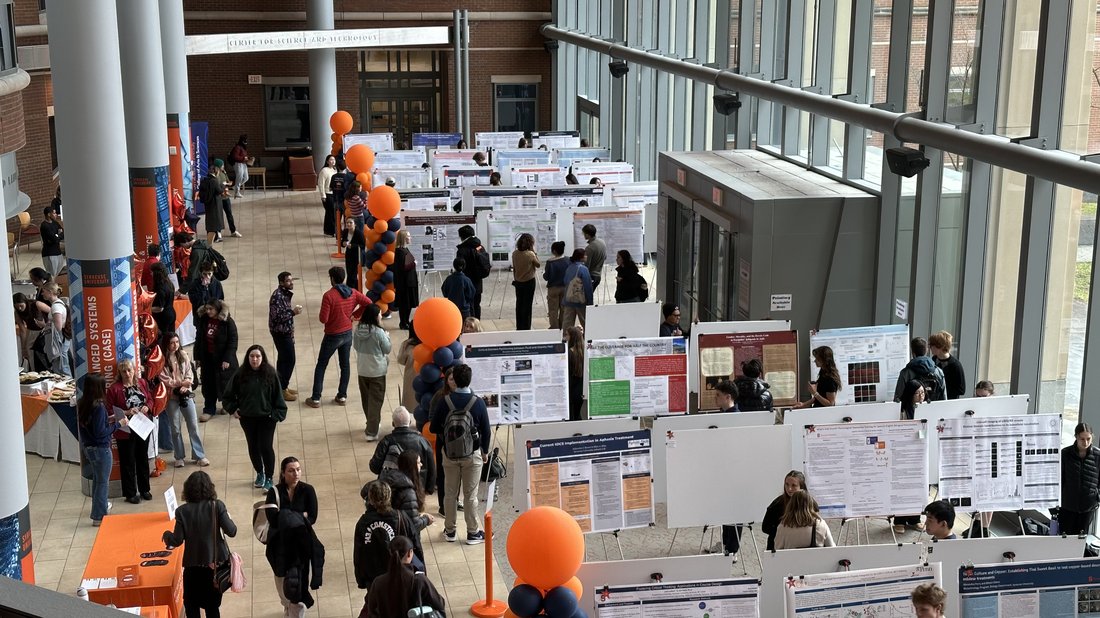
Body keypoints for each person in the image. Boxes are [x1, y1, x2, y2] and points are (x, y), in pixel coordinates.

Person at [162, 471, 238, 618]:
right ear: (210, 488)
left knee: (191, 605)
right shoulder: (217, 506)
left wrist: (166, 535)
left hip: (193, 567)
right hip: (214, 567)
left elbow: (176, 540)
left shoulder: (182, 511)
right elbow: (232, 531)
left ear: (188, 490)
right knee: (212, 607)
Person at [430, 364, 492, 544]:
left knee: (450, 494)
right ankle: (473, 533)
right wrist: (485, 451)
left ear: (454, 380)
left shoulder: (445, 401)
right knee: (470, 495)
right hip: (471, 455)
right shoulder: (478, 403)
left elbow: (433, 428)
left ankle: (450, 531)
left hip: (449, 455)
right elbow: (486, 432)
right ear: (470, 380)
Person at [305, 266, 371, 408]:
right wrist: (356, 314)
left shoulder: (329, 296)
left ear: (332, 279)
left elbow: (323, 319)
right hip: (347, 333)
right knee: (345, 365)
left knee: (321, 365)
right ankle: (342, 396)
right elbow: (368, 303)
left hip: (332, 335)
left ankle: (316, 397)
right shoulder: (353, 293)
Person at [263, 457, 322, 617]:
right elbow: (273, 519)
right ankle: (287, 605)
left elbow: (313, 517)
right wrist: (299, 517)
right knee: (281, 580)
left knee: (299, 583)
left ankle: (295, 609)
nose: (296, 473)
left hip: (300, 545)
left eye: (298, 469)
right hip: (279, 546)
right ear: (283, 473)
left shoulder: (308, 490)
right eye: (291, 470)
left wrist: (287, 516)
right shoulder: (274, 491)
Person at [223, 345, 287, 491]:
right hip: (247, 418)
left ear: (262, 358)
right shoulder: (240, 374)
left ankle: (269, 477)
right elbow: (227, 396)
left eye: (258, 356)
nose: (255, 359)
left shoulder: (271, 374)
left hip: (267, 419)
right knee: (253, 446)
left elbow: (278, 397)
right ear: (247, 357)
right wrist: (233, 409)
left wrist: (275, 415)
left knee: (265, 447)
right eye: (252, 356)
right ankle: (260, 473)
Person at [354, 480, 424, 589]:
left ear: (370, 500)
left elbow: (359, 554)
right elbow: (415, 544)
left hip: (374, 579)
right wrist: (421, 570)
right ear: (389, 496)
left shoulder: (363, 522)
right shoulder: (401, 517)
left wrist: (361, 579)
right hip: (400, 575)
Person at [78, 373, 124, 525]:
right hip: (101, 449)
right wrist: (118, 424)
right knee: (103, 483)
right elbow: (100, 433)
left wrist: (108, 420)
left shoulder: (83, 403)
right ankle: (99, 516)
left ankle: (101, 506)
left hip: (89, 448)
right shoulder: (99, 407)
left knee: (98, 481)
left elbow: (93, 426)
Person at [361, 536, 446, 618]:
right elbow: (439, 603)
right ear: (410, 553)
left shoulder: (378, 582)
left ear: (390, 553)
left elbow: (372, 610)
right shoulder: (419, 580)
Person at [107, 360, 155, 504]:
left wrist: (147, 406)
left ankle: (145, 489)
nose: (127, 374)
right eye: (124, 371)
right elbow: (109, 411)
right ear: (120, 374)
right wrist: (127, 412)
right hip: (125, 429)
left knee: (142, 459)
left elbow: (150, 399)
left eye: (129, 370)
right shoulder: (114, 389)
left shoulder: (142, 383)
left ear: (134, 370)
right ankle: (130, 493)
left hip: (142, 426)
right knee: (127, 462)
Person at [160, 332, 209, 467]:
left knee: (193, 426)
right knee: (175, 428)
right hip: (172, 397)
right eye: (172, 342)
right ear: (166, 344)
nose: (175, 345)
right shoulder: (162, 360)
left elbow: (189, 373)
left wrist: (186, 383)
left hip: (186, 394)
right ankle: (179, 456)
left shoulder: (183, 355)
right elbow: (164, 379)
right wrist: (181, 384)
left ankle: (199, 456)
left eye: (177, 342)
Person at [379, 450, 434, 562]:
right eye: (419, 463)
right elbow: (413, 525)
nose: (421, 465)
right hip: (403, 540)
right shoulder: (408, 492)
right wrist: (426, 519)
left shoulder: (390, 481)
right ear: (412, 466)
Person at [369, 406, 436, 488]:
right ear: (410, 421)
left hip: (392, 487)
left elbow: (374, 467)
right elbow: (431, 467)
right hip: (417, 486)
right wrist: (429, 488)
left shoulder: (386, 442)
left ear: (393, 423)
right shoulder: (422, 441)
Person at [194, 300, 239, 421]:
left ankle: (228, 405)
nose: (208, 311)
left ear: (218, 310)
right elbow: (199, 339)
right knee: (208, 385)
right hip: (208, 359)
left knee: (226, 384)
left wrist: (227, 359)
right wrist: (197, 357)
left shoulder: (227, 322)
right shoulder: (203, 320)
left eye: (211, 309)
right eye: (207, 309)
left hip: (223, 360)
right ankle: (209, 409)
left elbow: (233, 341)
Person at [353, 304, 391, 440]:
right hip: (377, 371)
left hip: (362, 369)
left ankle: (372, 423)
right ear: (375, 316)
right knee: (376, 400)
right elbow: (387, 349)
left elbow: (356, 346)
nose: (381, 316)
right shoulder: (378, 332)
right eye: (380, 314)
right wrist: (387, 337)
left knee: (366, 399)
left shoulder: (358, 330)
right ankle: (371, 432)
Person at [1060, 422, 1100, 535]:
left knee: (1081, 539)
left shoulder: (1098, 456)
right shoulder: (1065, 454)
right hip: (1067, 506)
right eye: (1082, 439)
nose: (1085, 442)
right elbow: (1060, 479)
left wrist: (1096, 497)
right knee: (1065, 538)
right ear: (1076, 437)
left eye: (1088, 438)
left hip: (1088, 507)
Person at [269, 271, 304, 401]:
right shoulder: (277, 297)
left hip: (286, 331)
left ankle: (282, 386)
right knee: (289, 360)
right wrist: (293, 313)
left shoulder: (284, 294)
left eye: (291, 280)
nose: (291, 282)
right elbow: (277, 317)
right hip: (280, 333)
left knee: (283, 360)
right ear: (281, 283)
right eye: (288, 281)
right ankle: (282, 389)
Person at [762, 470, 808, 551]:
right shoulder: (777, 504)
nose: (789, 489)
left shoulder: (809, 504)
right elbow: (765, 527)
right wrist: (783, 532)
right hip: (779, 547)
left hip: (803, 547)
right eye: (787, 484)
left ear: (802, 487)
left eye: (794, 485)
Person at [893, 337, 947, 402]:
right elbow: (944, 398)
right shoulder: (938, 371)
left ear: (913, 353)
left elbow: (898, 399)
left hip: (912, 410)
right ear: (926, 351)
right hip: (934, 410)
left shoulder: (905, 373)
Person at [455, 225, 490, 318]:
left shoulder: (462, 250)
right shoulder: (480, 247)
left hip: (466, 283)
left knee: (468, 307)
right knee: (477, 305)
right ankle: (477, 325)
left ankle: (469, 328)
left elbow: (460, 267)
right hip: (478, 282)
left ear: (462, 236)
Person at [39, 282, 71, 376]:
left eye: (43, 291)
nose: (42, 294)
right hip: (61, 339)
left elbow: (58, 326)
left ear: (49, 292)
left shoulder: (55, 306)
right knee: (61, 364)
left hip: (59, 340)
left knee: (61, 366)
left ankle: (68, 385)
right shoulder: (59, 304)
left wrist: (45, 324)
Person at [392, 230, 420, 330]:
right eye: (408, 236)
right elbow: (404, 267)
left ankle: (405, 321)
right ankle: (403, 322)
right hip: (405, 283)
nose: (410, 237)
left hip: (408, 282)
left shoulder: (404, 250)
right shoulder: (400, 252)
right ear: (403, 238)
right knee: (405, 304)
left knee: (407, 304)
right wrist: (414, 263)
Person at [512, 233, 540, 330]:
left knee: (519, 304)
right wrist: (534, 252)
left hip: (518, 281)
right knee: (527, 306)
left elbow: (514, 268)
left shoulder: (515, 253)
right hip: (529, 282)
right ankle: (526, 327)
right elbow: (538, 264)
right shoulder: (530, 254)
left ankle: (519, 326)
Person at [562, 249, 593, 328]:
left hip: (568, 299)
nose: (586, 257)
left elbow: (565, 281)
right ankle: (587, 339)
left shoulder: (569, 268)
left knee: (567, 323)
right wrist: (590, 302)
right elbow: (588, 287)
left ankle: (566, 338)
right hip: (580, 301)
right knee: (585, 322)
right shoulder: (583, 269)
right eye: (585, 255)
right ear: (581, 257)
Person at [928, 331, 964, 399]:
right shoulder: (933, 361)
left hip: (949, 403)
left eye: (932, 345)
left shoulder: (955, 365)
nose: (930, 348)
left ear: (940, 346)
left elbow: (961, 389)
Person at [397, 324, 422, 419]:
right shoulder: (428, 343)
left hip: (410, 376)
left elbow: (400, 360)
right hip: (425, 376)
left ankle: (407, 420)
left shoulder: (406, 345)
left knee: (410, 399)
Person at [544, 241, 569, 329]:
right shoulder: (568, 260)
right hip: (565, 288)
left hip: (553, 288)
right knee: (563, 309)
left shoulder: (550, 262)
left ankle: (554, 327)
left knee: (553, 310)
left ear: (554, 251)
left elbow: (546, 277)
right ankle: (562, 326)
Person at [198, 162, 225, 244]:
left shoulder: (205, 179)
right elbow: (219, 190)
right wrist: (223, 185)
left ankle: (211, 236)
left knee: (209, 220)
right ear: (216, 171)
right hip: (215, 204)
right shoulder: (214, 181)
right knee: (215, 221)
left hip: (208, 204)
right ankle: (214, 238)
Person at [213, 158, 241, 238]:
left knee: (229, 214)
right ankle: (218, 233)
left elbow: (227, 181)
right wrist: (222, 186)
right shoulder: (215, 175)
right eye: (222, 165)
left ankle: (233, 231)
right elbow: (216, 186)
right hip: (219, 199)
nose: (223, 166)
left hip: (225, 197)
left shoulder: (224, 172)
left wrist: (229, 183)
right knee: (219, 216)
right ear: (217, 167)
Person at [149, 262, 177, 336]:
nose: (151, 274)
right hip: (171, 313)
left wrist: (147, 309)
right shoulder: (169, 283)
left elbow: (160, 308)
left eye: (152, 272)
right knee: (170, 336)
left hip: (163, 317)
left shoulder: (160, 288)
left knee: (164, 338)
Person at [565, 326, 585, 421]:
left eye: (567, 335)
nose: (566, 337)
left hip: (572, 390)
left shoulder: (570, 353)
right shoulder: (583, 352)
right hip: (581, 391)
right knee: (578, 415)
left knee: (572, 417)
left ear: (571, 337)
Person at [39, 205, 65, 276]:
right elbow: (54, 239)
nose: (56, 215)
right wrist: (58, 235)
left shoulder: (55, 223)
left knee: (59, 274)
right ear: (48, 214)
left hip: (58, 252)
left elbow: (63, 232)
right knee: (52, 275)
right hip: (49, 253)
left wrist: (57, 236)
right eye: (54, 213)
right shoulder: (44, 226)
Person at [341, 217, 366, 290]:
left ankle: (350, 289)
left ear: (355, 224)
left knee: (353, 274)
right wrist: (344, 243)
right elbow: (342, 242)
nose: (348, 224)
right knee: (349, 273)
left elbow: (363, 245)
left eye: (350, 223)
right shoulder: (345, 232)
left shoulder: (359, 233)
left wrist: (353, 246)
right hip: (348, 255)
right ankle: (354, 289)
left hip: (357, 255)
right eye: (347, 223)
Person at [581, 223, 607, 290]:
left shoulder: (589, 248)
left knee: (584, 298)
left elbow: (587, 266)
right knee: (589, 297)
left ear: (587, 234)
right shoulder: (602, 242)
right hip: (598, 276)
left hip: (591, 276)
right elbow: (605, 257)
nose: (583, 235)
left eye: (583, 233)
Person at [318, 154, 338, 237]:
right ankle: (330, 231)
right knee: (330, 213)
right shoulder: (324, 171)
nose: (333, 161)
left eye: (334, 159)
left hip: (334, 194)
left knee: (332, 213)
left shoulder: (335, 170)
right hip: (327, 194)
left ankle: (330, 230)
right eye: (331, 160)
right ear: (327, 161)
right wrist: (323, 195)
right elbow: (320, 184)